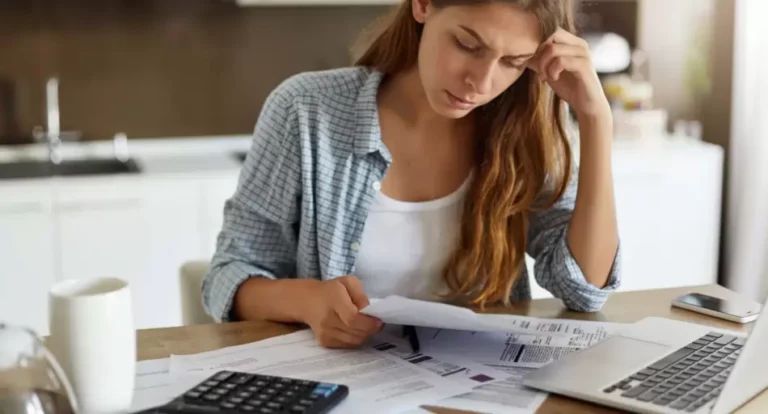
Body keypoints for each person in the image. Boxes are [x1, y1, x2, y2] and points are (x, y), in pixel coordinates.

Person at [202, 0, 621, 349]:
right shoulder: (306, 111)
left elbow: (583, 289)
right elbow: (228, 276)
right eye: (467, 44)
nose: (481, 82)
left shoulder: (523, 131)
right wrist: (307, 301)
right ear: (422, 5)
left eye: (513, 62)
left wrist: (595, 118)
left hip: (476, 393)